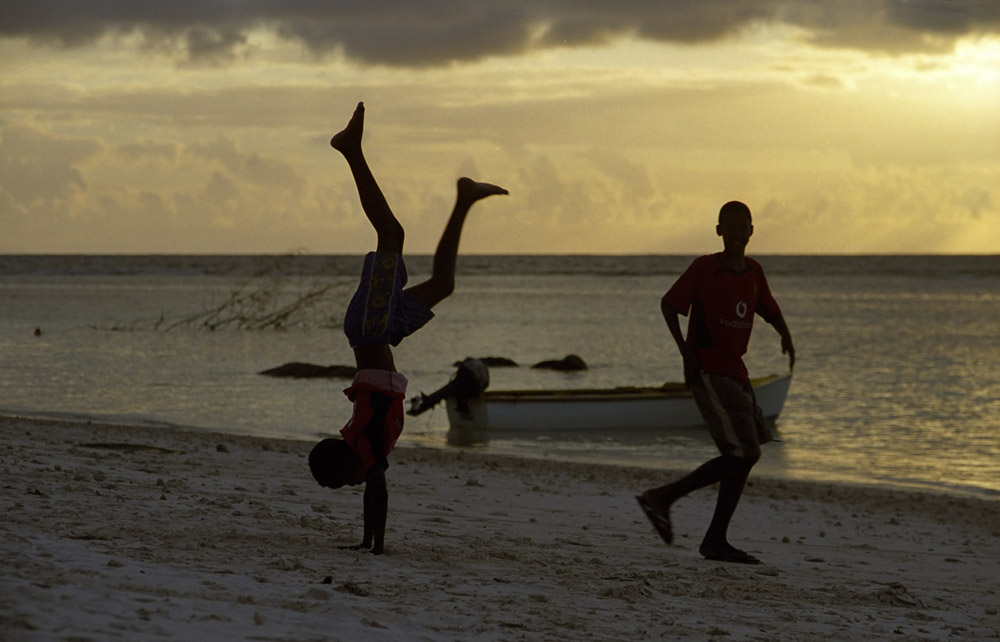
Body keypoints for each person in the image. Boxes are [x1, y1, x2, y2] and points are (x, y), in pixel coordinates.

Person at [308, 102, 508, 555]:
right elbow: (373, 493)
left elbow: (377, 494)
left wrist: (374, 547)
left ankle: (351, 151)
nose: (355, 488)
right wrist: (368, 542)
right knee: (444, 285)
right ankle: (465, 198)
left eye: (345, 485)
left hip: (371, 328)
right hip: (384, 330)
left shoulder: (367, 445)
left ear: (348, 468)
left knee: (392, 236)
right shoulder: (365, 448)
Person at [637, 200, 794, 565]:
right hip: (709, 369)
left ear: (752, 231)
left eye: (744, 228)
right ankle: (663, 498)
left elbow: (768, 308)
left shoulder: (754, 272)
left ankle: (714, 541)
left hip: (737, 371)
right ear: (719, 231)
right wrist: (686, 353)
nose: (738, 235)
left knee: (745, 451)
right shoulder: (705, 268)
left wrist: (786, 336)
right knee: (744, 453)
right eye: (731, 228)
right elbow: (668, 305)